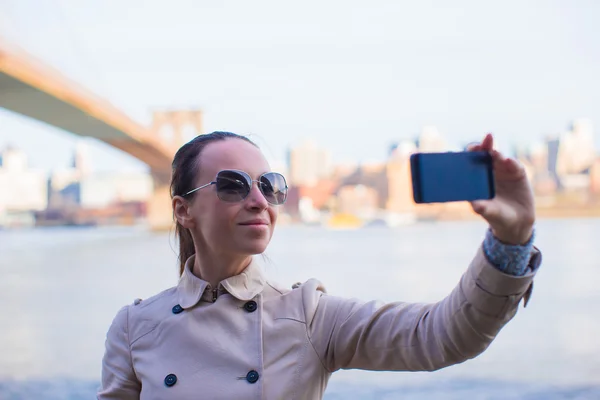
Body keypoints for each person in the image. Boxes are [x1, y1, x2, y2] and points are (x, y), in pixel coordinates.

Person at [98, 131, 541, 399]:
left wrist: (511, 237)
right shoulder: (135, 327)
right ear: (182, 210)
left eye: (269, 186)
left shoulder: (308, 315)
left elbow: (442, 336)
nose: (258, 200)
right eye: (232, 185)